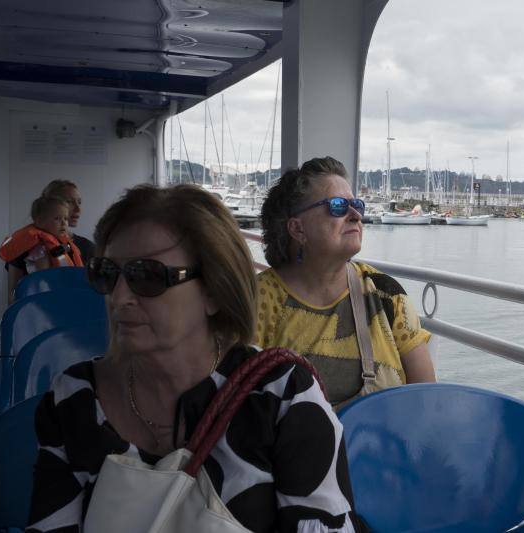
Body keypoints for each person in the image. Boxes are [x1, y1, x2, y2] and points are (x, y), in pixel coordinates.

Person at [27, 185, 359, 532]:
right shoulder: (73, 397)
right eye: (108, 274)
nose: (120, 297)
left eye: (147, 276)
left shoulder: (283, 396)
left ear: (214, 291)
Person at [257, 156, 436, 408]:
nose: (355, 215)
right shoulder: (259, 301)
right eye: (338, 206)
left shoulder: (385, 293)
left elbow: (426, 399)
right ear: (298, 229)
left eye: (357, 205)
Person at [0, 196, 83, 300]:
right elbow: (41, 277)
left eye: (65, 218)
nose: (63, 223)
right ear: (39, 221)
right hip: (45, 298)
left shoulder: (59, 243)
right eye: (57, 218)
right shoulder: (39, 248)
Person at [41, 179, 96, 261]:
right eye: (69, 202)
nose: (78, 209)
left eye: (79, 202)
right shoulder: (28, 244)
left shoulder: (87, 248)